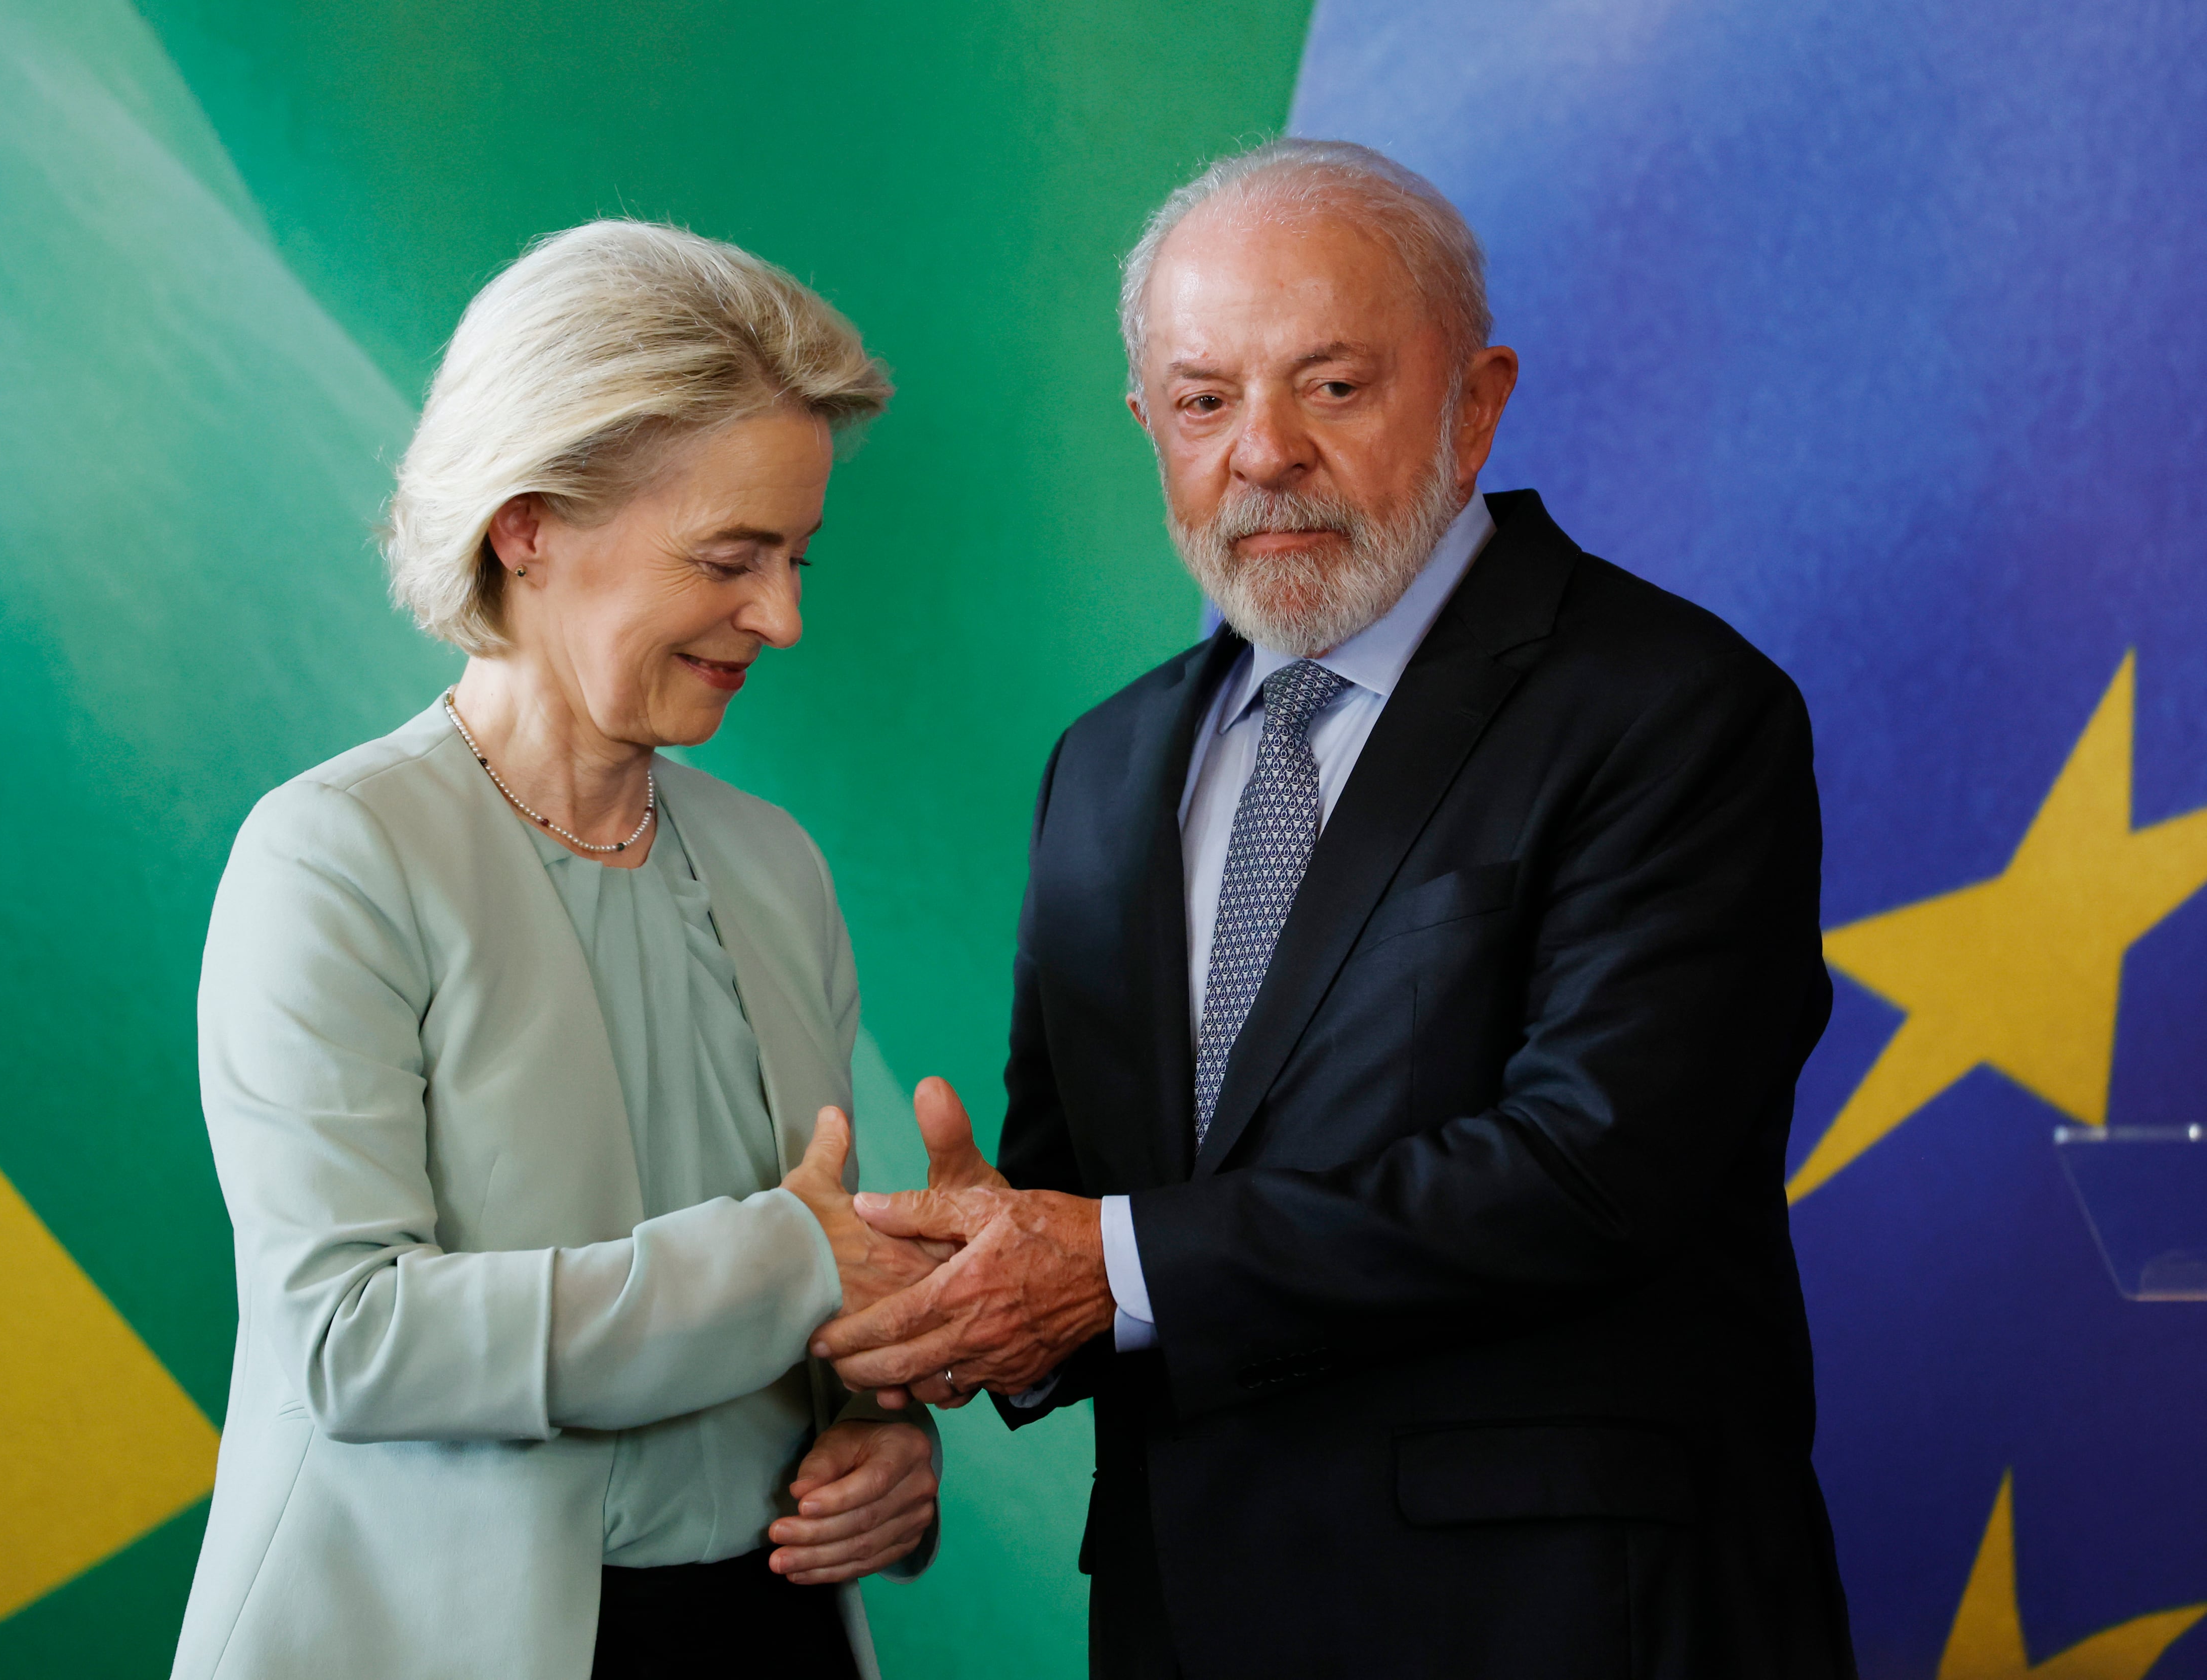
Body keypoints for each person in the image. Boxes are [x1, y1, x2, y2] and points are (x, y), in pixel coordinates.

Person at [813, 140, 1857, 1677]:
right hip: (1186, 1620)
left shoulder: (1676, 710)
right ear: (1147, 427)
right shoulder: (1103, 767)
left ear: (1476, 399)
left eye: (1335, 386)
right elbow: (1079, 1203)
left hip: (1562, 1629)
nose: (1263, 452)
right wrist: (946, 1296)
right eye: (1203, 398)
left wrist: (1100, 1265)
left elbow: (1594, 1170)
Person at [172, 221, 945, 1680]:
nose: (782, 616)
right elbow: (352, 1340)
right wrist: (795, 1258)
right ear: (526, 525)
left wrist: (889, 1447)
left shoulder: (777, 865)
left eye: (793, 556)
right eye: (732, 555)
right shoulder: (332, 856)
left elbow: (820, 1313)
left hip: (771, 1641)